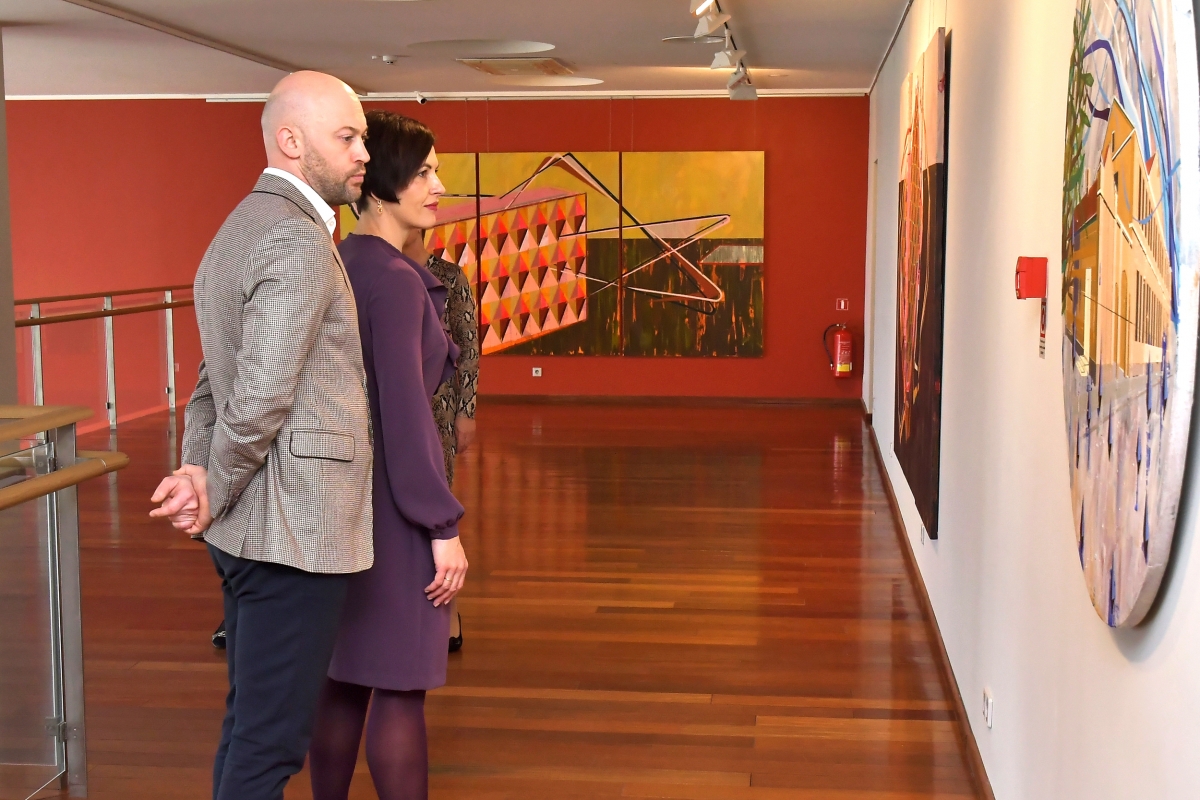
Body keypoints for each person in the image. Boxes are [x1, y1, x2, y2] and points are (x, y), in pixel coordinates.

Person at [149, 71, 374, 800]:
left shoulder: (240, 227)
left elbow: (214, 379)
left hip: (255, 529)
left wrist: (198, 470)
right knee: (270, 744)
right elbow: (260, 394)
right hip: (292, 533)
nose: (363, 152)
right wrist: (210, 483)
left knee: (250, 728)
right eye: (347, 136)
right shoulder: (294, 238)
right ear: (291, 141)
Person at [307, 111, 468, 800]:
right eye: (425, 172)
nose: (439, 186)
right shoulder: (397, 282)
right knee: (399, 686)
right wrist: (442, 525)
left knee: (343, 678)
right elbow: (405, 417)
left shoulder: (343, 263)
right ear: (381, 184)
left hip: (340, 507)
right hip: (394, 512)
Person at [402, 228, 479, 652]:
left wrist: (467, 411)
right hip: (393, 407)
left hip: (440, 411)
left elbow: (468, 349)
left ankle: (448, 613)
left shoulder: (450, 276)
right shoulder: (384, 272)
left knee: (437, 510)